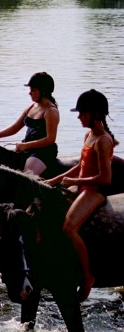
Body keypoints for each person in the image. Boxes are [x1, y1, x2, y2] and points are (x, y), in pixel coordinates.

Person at [45, 89, 117, 301]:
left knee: (69, 227)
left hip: (95, 191)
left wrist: (74, 182)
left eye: (82, 113)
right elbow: (81, 166)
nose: (78, 117)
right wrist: (55, 180)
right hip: (81, 186)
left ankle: (87, 277)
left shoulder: (103, 141)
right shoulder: (89, 135)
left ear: (95, 114)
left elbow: (105, 179)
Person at [0, 72, 60, 176]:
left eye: (33, 90)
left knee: (25, 177)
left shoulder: (51, 111)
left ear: (43, 92)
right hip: (27, 149)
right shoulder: (31, 108)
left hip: (43, 152)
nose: (30, 93)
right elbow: (15, 127)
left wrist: (26, 145)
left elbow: (50, 139)